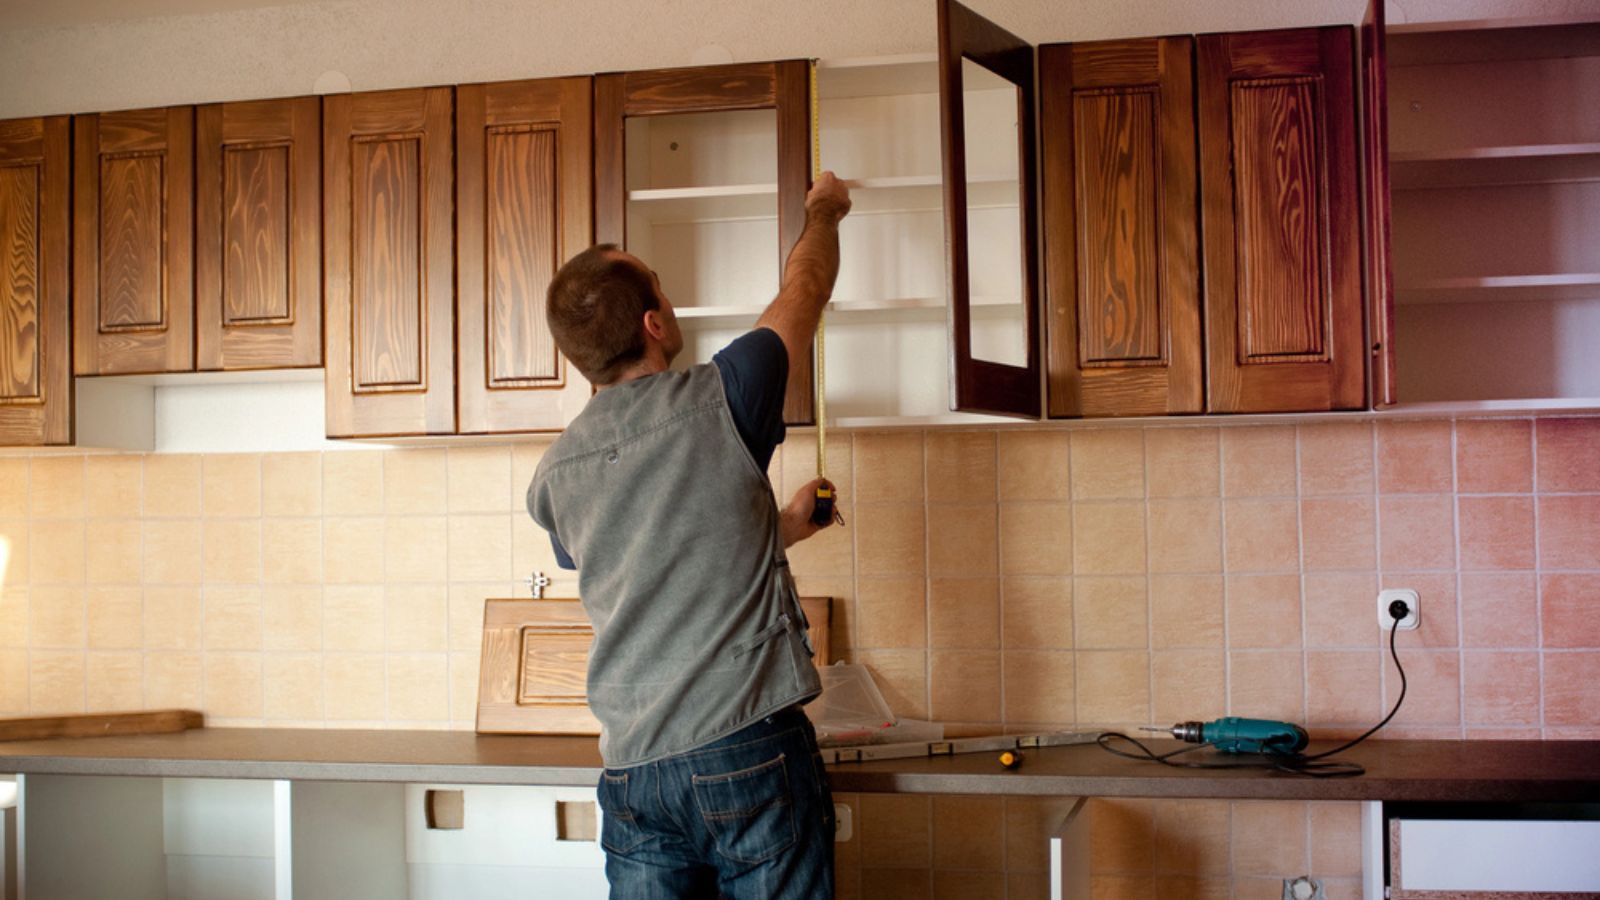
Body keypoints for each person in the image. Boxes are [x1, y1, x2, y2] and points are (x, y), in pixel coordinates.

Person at [527, 171, 853, 899]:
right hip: (747, 751)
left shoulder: (554, 477)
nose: (669, 303)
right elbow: (804, 291)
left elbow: (651, 559)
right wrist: (824, 212)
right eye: (660, 290)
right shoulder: (726, 395)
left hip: (635, 775)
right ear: (654, 325)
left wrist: (781, 532)